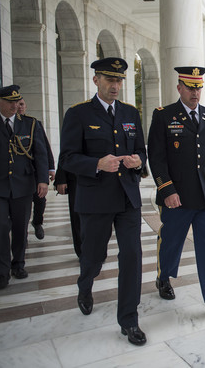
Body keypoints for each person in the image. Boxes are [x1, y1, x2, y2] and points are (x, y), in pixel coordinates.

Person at [59, 57, 147, 346]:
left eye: (119, 80)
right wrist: (97, 163)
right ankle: (85, 285)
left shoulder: (131, 113)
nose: (115, 85)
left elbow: (141, 153)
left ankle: (129, 320)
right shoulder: (79, 114)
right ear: (96, 80)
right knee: (94, 257)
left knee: (132, 257)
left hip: (127, 197)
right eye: (110, 79)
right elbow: (68, 158)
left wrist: (137, 161)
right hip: (95, 199)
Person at [147, 66, 205, 320]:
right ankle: (163, 278)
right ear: (179, 88)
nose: (195, 92)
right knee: (172, 242)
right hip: (177, 197)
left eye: (198, 87)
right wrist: (167, 190)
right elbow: (156, 157)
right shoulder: (164, 115)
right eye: (190, 87)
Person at [0, 85, 49, 289]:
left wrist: (42, 180)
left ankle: (18, 264)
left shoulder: (30, 124)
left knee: (20, 227)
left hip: (23, 185)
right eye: (9, 102)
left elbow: (40, 154)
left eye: (17, 101)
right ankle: (2, 272)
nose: (14, 105)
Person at [17, 98, 55, 239]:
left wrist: (50, 168)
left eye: (22, 104)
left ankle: (37, 222)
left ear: (25, 106)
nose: (19, 107)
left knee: (40, 200)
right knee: (21, 205)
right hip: (19, 174)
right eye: (17, 104)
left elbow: (44, 147)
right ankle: (22, 233)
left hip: (35, 171)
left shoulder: (33, 124)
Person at [54, 164, 81, 257]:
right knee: (77, 217)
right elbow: (66, 152)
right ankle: (82, 252)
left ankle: (99, 250)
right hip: (76, 177)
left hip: (103, 177)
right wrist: (61, 178)